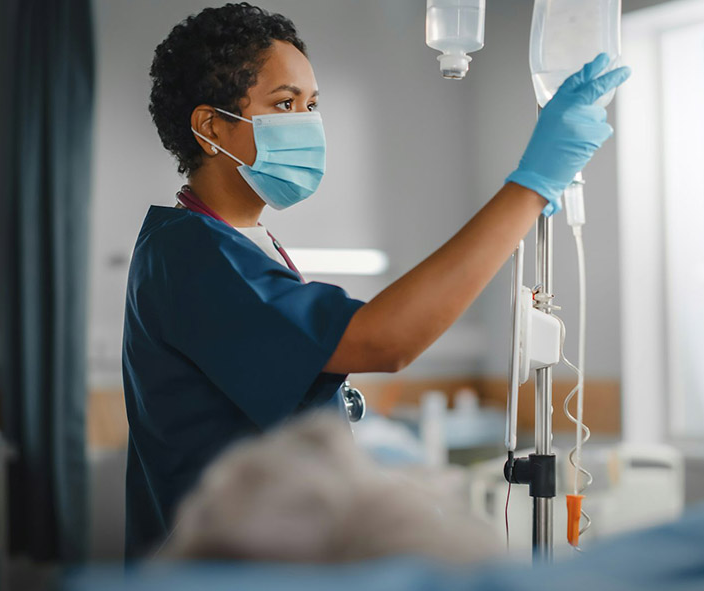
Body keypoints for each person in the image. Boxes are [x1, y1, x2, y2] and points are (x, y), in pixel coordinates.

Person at [123, 1, 630, 559]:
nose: (307, 122)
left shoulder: (238, 243)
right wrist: (531, 185)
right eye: (285, 104)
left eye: (312, 104)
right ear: (210, 126)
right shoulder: (191, 255)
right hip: (225, 569)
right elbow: (382, 339)